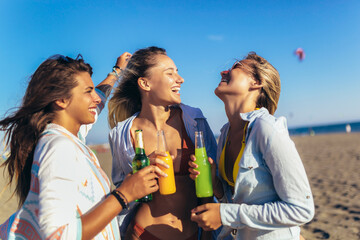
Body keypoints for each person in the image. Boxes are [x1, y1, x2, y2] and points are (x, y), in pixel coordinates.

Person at [0, 53, 165, 240]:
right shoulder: (58, 147)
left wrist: (116, 72)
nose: (95, 98)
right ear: (61, 100)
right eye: (88, 91)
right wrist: (123, 195)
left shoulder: (69, 137)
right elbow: (58, 236)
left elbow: (100, 99)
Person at [189, 52, 315, 239]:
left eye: (236, 67)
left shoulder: (267, 129)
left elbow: (301, 209)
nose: (224, 71)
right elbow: (239, 199)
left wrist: (224, 215)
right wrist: (216, 185)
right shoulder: (225, 133)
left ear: (256, 82)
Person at [108, 46, 218, 240]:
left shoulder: (195, 120)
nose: (180, 79)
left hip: (194, 232)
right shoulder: (122, 134)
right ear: (145, 83)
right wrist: (139, 172)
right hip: (143, 233)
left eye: (177, 72)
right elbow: (121, 189)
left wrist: (208, 234)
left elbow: (216, 181)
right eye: (170, 73)